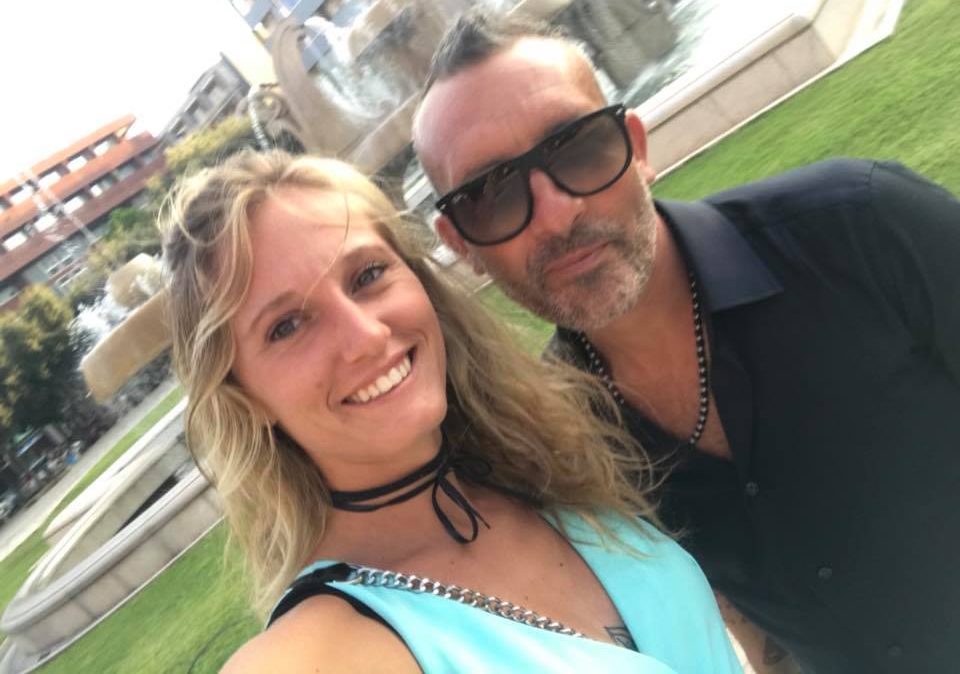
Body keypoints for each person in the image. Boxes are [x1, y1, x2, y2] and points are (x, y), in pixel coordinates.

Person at [411, 11, 960, 673]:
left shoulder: (861, 227)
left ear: (635, 146)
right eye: (491, 193)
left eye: (576, 146)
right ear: (461, 244)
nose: (556, 213)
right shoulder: (562, 441)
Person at [160, 150, 742, 673]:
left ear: (419, 281)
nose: (366, 335)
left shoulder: (548, 471)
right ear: (245, 398)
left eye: (367, 275)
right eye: (287, 325)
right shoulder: (329, 643)